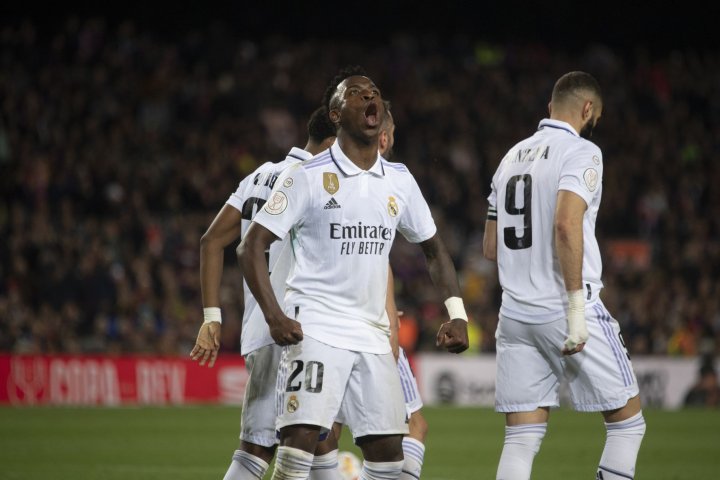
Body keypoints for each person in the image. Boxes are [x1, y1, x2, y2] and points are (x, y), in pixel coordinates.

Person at [238, 65, 469, 480]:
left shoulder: (399, 180)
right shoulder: (305, 177)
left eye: (374, 92)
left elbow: (434, 250)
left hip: (372, 338)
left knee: (388, 456)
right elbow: (250, 245)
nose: (369, 97)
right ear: (335, 115)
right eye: (357, 93)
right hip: (317, 330)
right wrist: (274, 316)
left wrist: (457, 313)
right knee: (297, 452)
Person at [483, 71, 646, 480]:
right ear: (587, 108)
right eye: (598, 116)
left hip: (516, 315)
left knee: (521, 440)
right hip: (568, 308)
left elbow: (490, 247)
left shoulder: (510, 157)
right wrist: (575, 308)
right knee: (628, 423)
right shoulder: (582, 152)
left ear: (550, 106)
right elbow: (566, 224)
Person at [189, 106, 341, 480]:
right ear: (334, 142)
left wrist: (212, 318)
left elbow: (211, 242)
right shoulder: (316, 181)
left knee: (309, 445)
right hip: (295, 330)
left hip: (260, 331)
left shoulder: (260, 176)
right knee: (278, 447)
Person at [331, 103, 429, 480]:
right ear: (383, 138)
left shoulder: (328, 177)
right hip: (367, 330)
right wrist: (388, 317)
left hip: (323, 327)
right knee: (413, 427)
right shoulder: (382, 180)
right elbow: (376, 255)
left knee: (321, 435)